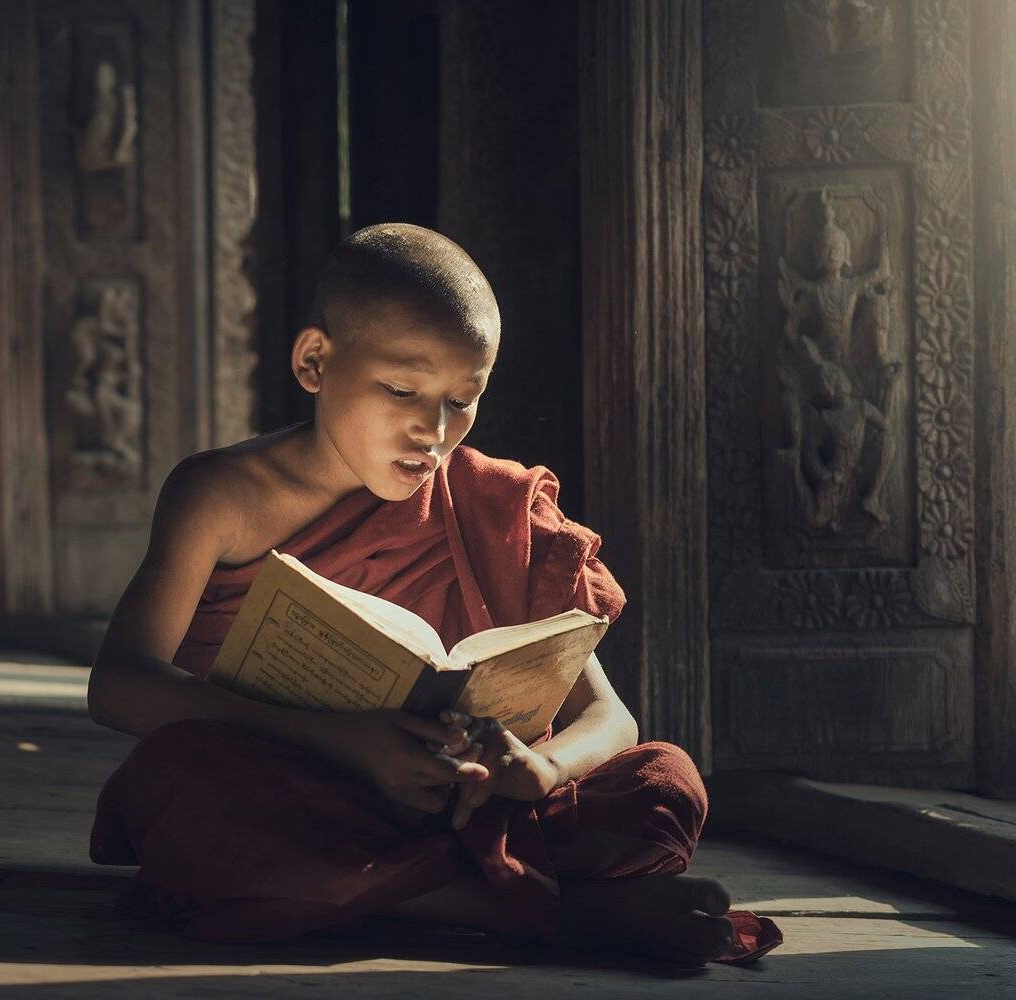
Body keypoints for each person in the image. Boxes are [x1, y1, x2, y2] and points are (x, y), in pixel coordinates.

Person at [86, 223, 781, 965]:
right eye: (402, 390)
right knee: (182, 787)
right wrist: (342, 741)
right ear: (315, 360)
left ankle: (417, 898)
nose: (433, 430)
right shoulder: (221, 495)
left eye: (462, 399)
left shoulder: (493, 505)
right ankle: (551, 912)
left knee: (664, 780)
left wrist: (538, 768)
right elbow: (120, 684)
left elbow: (608, 718)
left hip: (468, 808)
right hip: (301, 791)